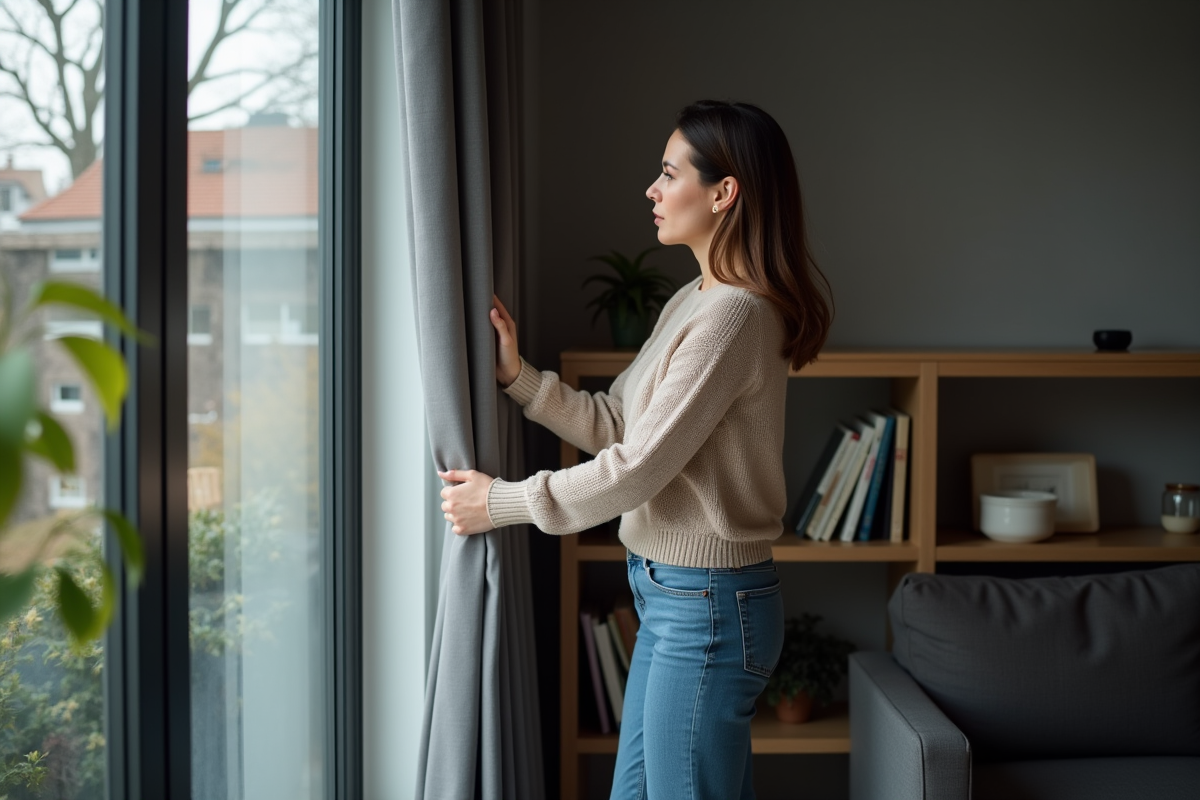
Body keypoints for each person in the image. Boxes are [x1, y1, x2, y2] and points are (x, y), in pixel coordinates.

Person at [437, 99, 833, 800]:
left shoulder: (735, 316)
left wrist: (501, 503)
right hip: (673, 596)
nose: (652, 189)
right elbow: (622, 424)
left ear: (724, 192)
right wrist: (519, 378)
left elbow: (637, 470)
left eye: (669, 173)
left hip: (705, 605)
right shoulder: (695, 300)